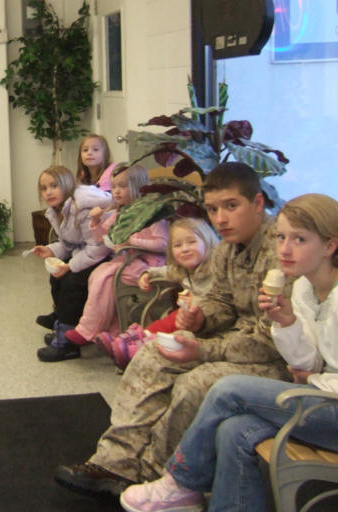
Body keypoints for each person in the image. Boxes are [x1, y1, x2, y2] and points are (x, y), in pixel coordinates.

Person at [54, 162, 289, 497]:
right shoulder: (227, 248)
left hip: (275, 361)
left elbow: (271, 342)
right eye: (213, 210)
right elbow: (221, 301)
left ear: (258, 203)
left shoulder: (282, 251)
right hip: (233, 342)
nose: (220, 219)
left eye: (231, 206)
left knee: (196, 382)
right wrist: (200, 319)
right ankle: (115, 461)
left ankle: (152, 473)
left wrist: (202, 348)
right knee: (153, 352)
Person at [119, 193, 338, 512]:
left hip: (330, 403)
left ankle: (181, 481)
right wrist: (287, 323)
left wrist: (316, 379)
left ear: (330, 246)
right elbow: (306, 361)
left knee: (228, 390)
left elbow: (313, 371)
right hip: (318, 397)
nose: (285, 249)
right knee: (233, 430)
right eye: (281, 237)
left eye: (299, 239)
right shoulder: (304, 287)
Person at [64, 164, 168, 347]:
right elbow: (103, 238)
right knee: (97, 275)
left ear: (139, 186)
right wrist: (95, 221)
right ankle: (111, 332)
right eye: (113, 187)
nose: (117, 191)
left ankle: (87, 330)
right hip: (129, 261)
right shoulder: (122, 212)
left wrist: (132, 241)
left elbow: (164, 244)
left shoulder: (152, 213)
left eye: (123, 186)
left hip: (150, 264)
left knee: (105, 277)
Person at [97, 217, 220, 369]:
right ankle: (133, 341)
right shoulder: (183, 270)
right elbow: (166, 271)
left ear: (207, 242)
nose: (185, 249)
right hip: (189, 317)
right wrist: (147, 274)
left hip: (209, 321)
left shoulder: (215, 270)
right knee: (169, 319)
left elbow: (219, 302)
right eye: (178, 245)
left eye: (192, 242)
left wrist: (194, 303)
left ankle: (140, 345)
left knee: (174, 319)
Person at [31, 165, 112, 362]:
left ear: (67, 185)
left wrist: (70, 266)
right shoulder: (58, 210)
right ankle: (63, 322)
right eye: (44, 188)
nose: (48, 192)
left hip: (105, 254)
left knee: (72, 282)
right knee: (56, 277)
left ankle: (67, 344)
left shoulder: (82, 208)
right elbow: (69, 243)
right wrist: (51, 250)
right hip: (87, 252)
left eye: (54, 186)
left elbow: (99, 247)